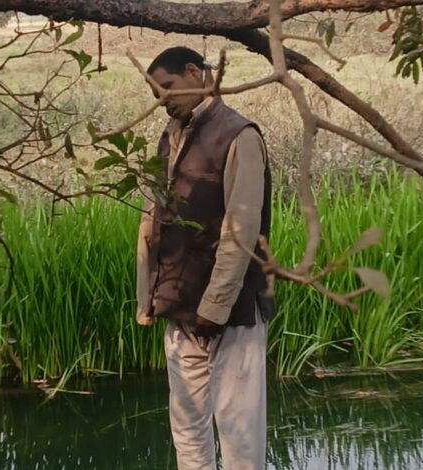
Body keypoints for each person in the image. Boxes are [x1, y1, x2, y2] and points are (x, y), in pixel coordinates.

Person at [135, 46, 275, 470]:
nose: (164, 100)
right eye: (156, 94)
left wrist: (215, 308)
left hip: (233, 314)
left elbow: (241, 229)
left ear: (194, 72)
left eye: (168, 88)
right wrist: (147, 298)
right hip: (178, 306)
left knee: (239, 437)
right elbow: (151, 219)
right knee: (188, 433)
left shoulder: (239, 135)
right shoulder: (169, 137)